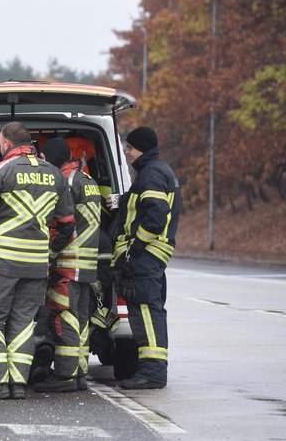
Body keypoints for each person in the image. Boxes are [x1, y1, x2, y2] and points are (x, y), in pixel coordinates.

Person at [0, 122, 75, 400]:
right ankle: (17, 384)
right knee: (23, 323)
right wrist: (49, 251)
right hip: (35, 266)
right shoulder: (55, 175)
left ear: (6, 143)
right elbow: (68, 223)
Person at [113, 126, 180, 390]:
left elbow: (155, 215)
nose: (127, 152)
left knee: (146, 314)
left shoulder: (151, 173)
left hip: (146, 255)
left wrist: (134, 248)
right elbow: (142, 206)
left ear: (141, 147)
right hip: (152, 256)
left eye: (129, 147)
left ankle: (152, 374)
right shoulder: (156, 170)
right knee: (148, 312)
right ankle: (150, 371)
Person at [34, 138, 102, 393]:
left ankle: (65, 375)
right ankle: (79, 372)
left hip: (68, 263)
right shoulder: (88, 180)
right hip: (87, 264)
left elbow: (63, 223)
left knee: (65, 318)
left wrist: (49, 252)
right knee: (81, 319)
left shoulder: (63, 181)